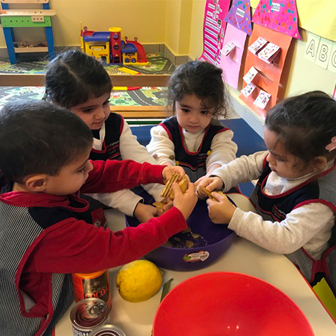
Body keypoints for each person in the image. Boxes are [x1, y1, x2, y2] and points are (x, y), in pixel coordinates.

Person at [0, 100, 197, 336]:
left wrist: (157, 172)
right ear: (39, 182)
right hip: (33, 322)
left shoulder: (32, 180)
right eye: (81, 168)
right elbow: (116, 247)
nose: (90, 170)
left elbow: (103, 172)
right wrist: (178, 215)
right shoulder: (46, 231)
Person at [196, 91, 336, 293]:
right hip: (256, 238)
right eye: (268, 150)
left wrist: (234, 218)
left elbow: (284, 240)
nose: (269, 160)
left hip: (290, 267)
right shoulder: (287, 157)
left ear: (316, 163)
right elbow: (247, 164)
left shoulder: (318, 200)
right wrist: (219, 177)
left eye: (278, 157)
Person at [45, 49, 165, 223]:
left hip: (121, 195)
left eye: (106, 102)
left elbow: (139, 157)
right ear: (58, 107)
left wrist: (162, 192)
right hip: (83, 202)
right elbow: (92, 185)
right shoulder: (58, 141)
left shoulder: (115, 124)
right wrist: (134, 206)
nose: (101, 114)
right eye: (89, 109)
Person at [146, 60, 237, 183]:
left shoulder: (220, 134)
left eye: (203, 112)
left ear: (215, 108)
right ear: (174, 103)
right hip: (174, 186)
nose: (193, 119)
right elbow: (160, 152)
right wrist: (168, 168)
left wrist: (213, 176)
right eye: (186, 110)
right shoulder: (164, 131)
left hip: (209, 188)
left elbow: (222, 156)